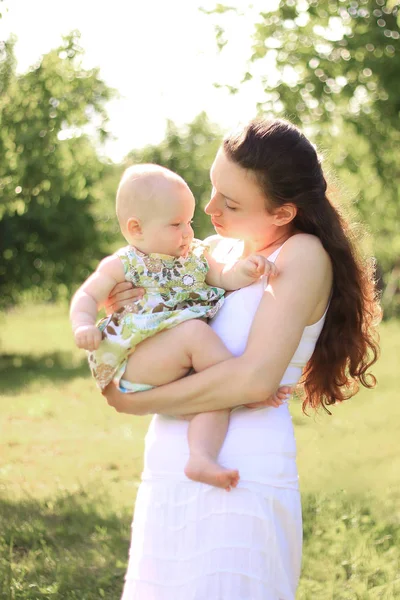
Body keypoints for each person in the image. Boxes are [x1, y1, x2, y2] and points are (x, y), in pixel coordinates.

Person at [103, 118, 380, 600]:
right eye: (213, 189)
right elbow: (147, 326)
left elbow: (254, 379)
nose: (209, 209)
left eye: (229, 203)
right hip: (170, 461)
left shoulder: (302, 256)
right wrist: (124, 304)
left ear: (282, 212)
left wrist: (132, 401)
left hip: (241, 470)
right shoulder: (212, 253)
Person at [70, 163, 282, 492]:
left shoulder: (197, 256)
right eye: (175, 224)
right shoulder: (124, 264)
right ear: (136, 228)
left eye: (188, 222)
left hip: (169, 360)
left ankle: (201, 457)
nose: (187, 232)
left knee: (212, 397)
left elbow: (225, 276)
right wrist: (84, 324)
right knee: (195, 335)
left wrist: (249, 270)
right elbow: (87, 295)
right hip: (133, 361)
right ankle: (245, 387)